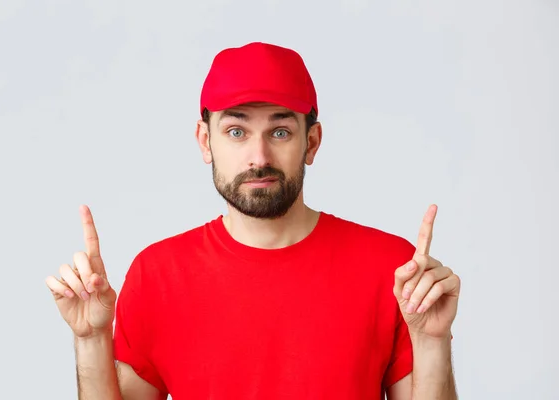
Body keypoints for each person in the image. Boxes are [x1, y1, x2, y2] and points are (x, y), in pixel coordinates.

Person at [46, 42, 461, 400]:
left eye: (279, 131)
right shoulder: (157, 275)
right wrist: (89, 341)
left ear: (311, 142)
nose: (259, 158)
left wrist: (431, 342)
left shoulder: (391, 269)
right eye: (236, 132)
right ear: (206, 141)